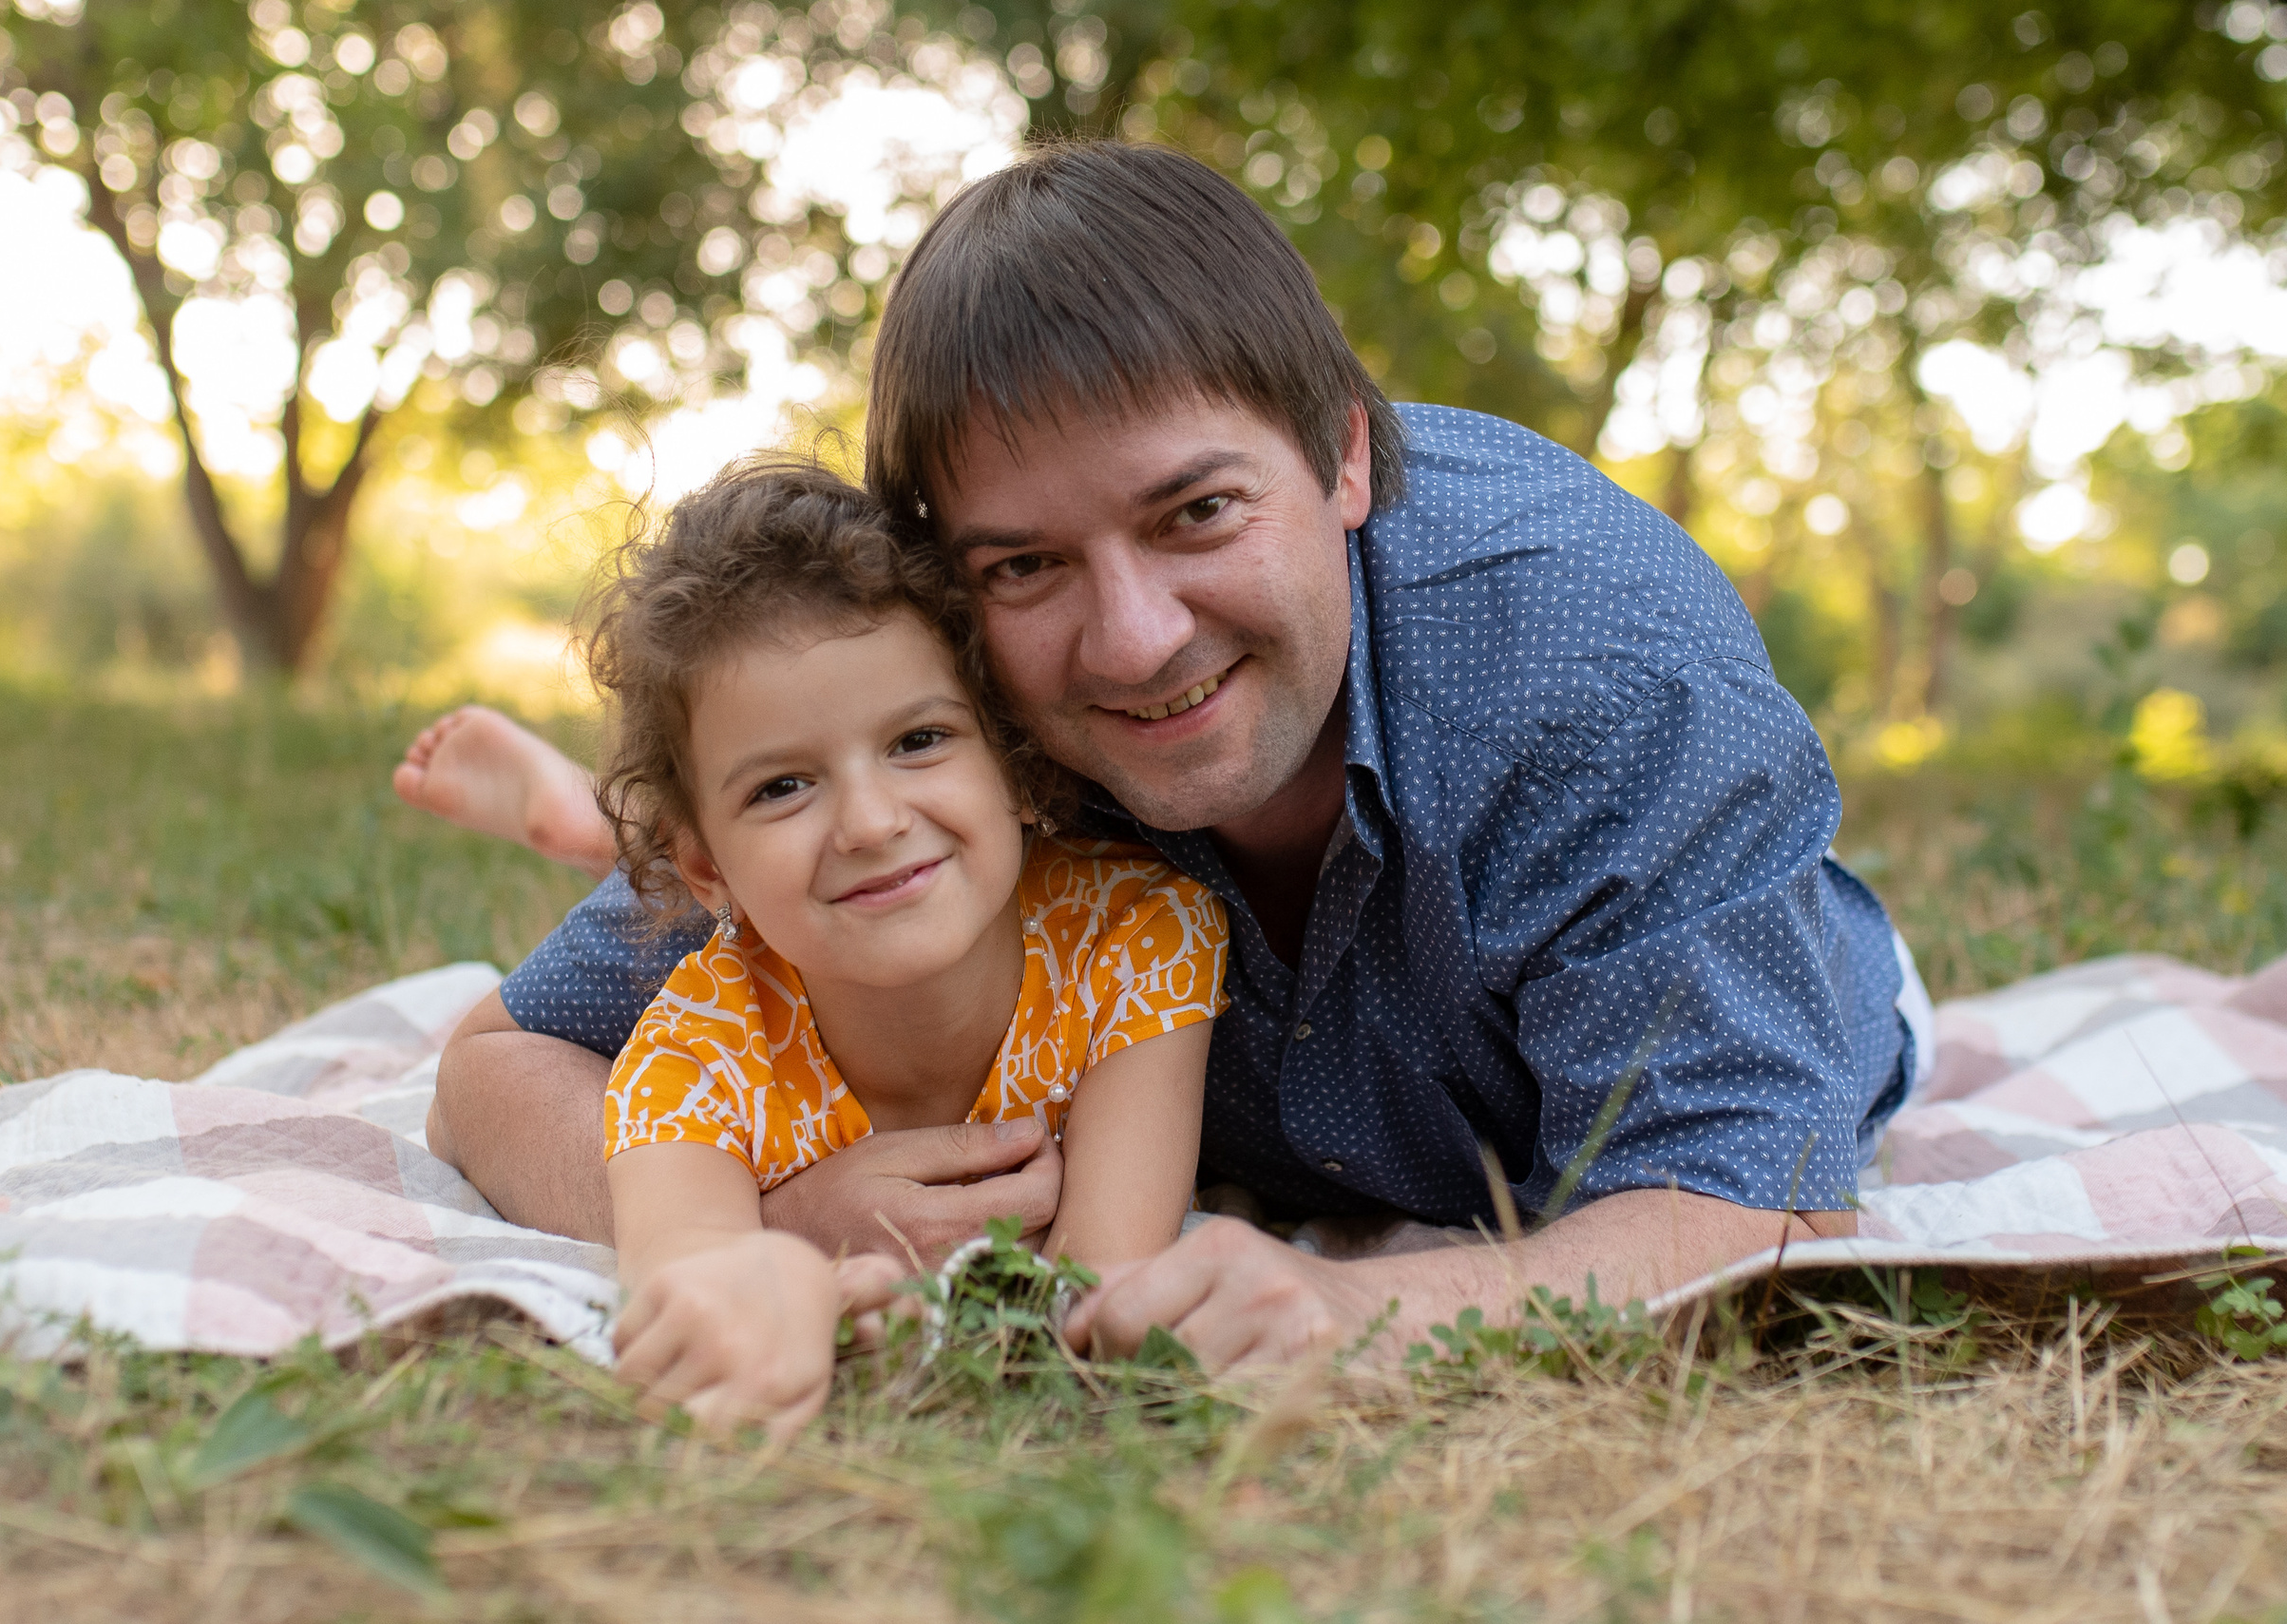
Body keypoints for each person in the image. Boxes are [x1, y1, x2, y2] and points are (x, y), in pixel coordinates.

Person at [413, 140, 1929, 1375]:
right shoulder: (939, 721)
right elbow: (501, 1069)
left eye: (1197, 512)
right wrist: (769, 1219)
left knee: (1806, 986)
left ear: (1343, 452)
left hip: (1788, 989)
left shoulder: (1602, 668)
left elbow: (1759, 1204)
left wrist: (1354, 1315)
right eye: (1025, 564)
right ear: (950, 581)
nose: (1133, 641)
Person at [580, 458, 1229, 1435]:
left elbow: (1100, 1288)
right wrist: (768, 1295)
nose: (872, 822)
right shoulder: (694, 1057)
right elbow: (694, 1270)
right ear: (708, 869)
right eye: (781, 787)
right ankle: (563, 813)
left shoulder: (1134, 936)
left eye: (918, 740)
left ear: (1010, 760)